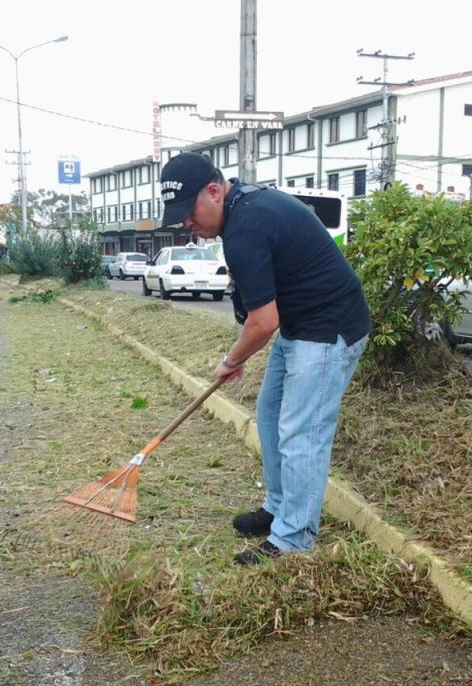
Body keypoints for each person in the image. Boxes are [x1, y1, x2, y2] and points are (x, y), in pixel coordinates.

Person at [159, 152, 371, 566]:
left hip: (330, 330)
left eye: (189, 211)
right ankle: (279, 508)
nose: (187, 223)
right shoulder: (242, 211)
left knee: (302, 433)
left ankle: (293, 540)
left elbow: (262, 322)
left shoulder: (246, 228)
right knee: (271, 416)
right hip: (301, 326)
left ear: (215, 191)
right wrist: (239, 354)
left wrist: (230, 360)